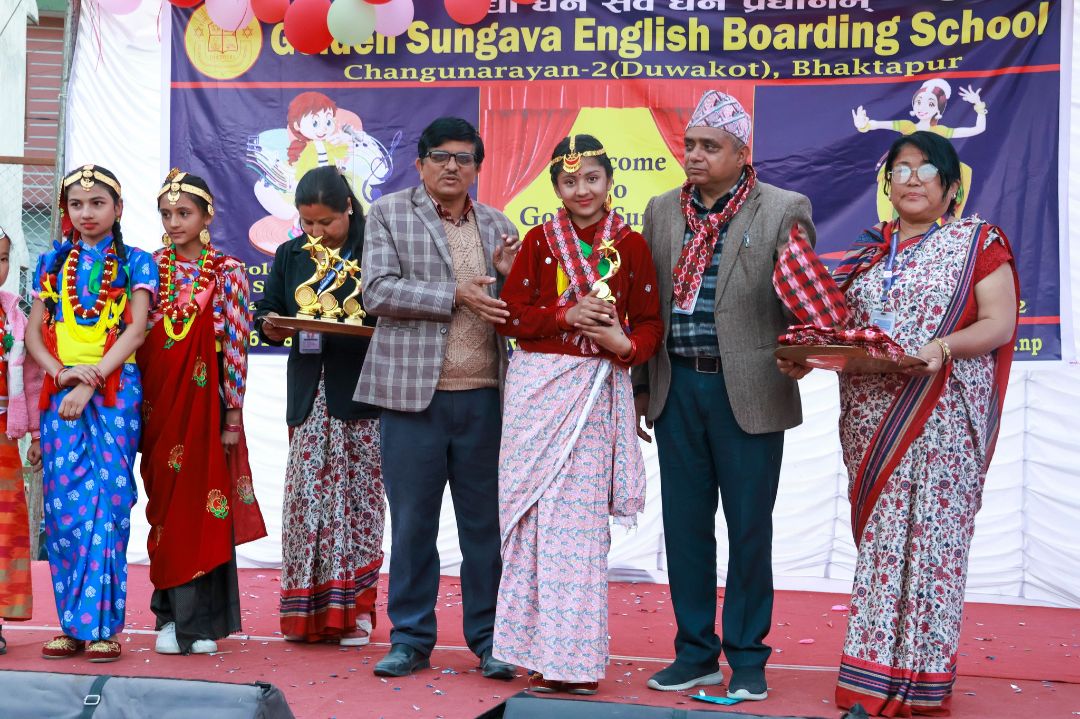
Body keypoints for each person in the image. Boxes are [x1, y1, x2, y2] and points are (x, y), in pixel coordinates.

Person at [777, 131, 1019, 716]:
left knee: (932, 547)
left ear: (951, 187)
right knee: (884, 549)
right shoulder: (866, 256)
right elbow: (845, 333)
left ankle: (921, 684)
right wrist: (808, 358)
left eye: (925, 169)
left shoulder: (976, 242)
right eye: (900, 169)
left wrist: (942, 347)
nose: (911, 179)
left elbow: (999, 322)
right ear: (887, 184)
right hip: (873, 422)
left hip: (941, 418)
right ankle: (869, 682)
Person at [631, 91, 815, 700]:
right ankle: (695, 655)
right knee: (685, 530)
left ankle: (748, 658)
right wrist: (641, 386)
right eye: (690, 144)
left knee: (748, 530)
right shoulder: (662, 210)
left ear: (741, 153)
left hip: (751, 393)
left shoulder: (783, 208)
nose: (695, 155)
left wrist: (806, 349)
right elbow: (647, 306)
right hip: (676, 387)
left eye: (710, 146)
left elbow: (804, 299)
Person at [492, 134, 663, 694]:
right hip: (536, 395)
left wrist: (623, 344)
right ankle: (534, 654)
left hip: (592, 397)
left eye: (592, 178)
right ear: (556, 187)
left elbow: (650, 323)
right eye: (570, 181)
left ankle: (574, 663)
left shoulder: (631, 246)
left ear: (610, 181)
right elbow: (512, 316)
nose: (582, 190)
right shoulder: (539, 241)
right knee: (529, 525)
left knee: (578, 534)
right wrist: (566, 315)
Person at [356, 116, 520, 680]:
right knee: (413, 525)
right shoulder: (388, 213)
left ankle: (492, 639)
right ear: (420, 163)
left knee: (485, 529)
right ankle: (410, 638)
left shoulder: (498, 225)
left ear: (477, 166)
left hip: (485, 399)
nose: (453, 166)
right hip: (412, 400)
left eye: (464, 158)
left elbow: (516, 310)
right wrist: (454, 294)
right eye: (441, 157)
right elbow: (377, 291)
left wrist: (510, 280)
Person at [26, 165, 157, 662]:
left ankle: (103, 628)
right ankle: (71, 627)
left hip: (113, 395)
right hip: (62, 393)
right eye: (77, 205)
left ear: (117, 209)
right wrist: (63, 376)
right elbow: (34, 335)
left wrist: (91, 379)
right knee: (64, 511)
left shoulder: (137, 262)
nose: (86, 213)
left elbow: (136, 330)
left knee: (107, 503)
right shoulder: (50, 263)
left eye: (98, 203)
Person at [255, 166, 385, 646]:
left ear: (348, 207)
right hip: (309, 395)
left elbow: (390, 315)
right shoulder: (291, 254)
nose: (316, 232)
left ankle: (359, 612)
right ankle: (306, 614)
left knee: (359, 504)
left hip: (364, 392)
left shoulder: (376, 249)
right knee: (307, 502)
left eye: (326, 222)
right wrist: (270, 324)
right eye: (307, 222)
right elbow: (267, 309)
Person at [138, 169, 262, 655]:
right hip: (159, 405)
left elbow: (236, 346)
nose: (174, 222)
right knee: (165, 508)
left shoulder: (228, 272)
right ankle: (168, 618)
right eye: (166, 214)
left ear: (208, 216)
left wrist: (233, 415)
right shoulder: (148, 268)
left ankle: (199, 624)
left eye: (184, 213)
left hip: (206, 406)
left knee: (204, 505)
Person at [0, 225, 44, 655]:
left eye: (1, 259)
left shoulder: (15, 314)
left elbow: (32, 380)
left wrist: (35, 434)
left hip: (1, 442)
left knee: (4, 529)